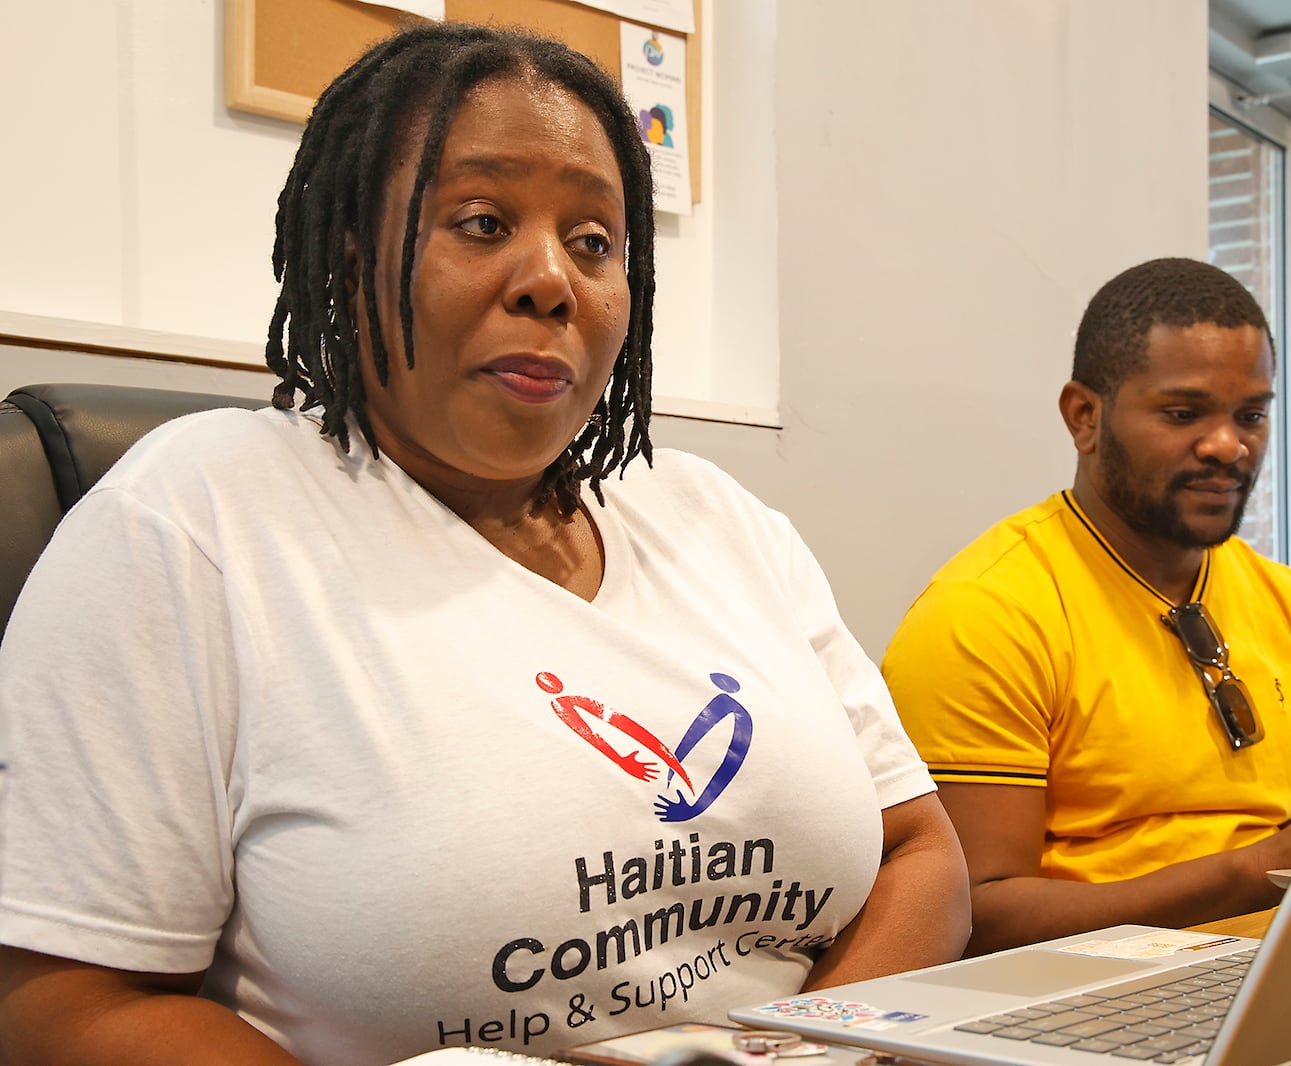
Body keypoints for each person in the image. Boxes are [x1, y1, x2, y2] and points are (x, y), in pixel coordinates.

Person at [0, 24, 968, 1066]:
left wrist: (802, 1057)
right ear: (350, 257)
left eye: (594, 241)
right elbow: (61, 1001)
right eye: (481, 221)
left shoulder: (718, 516)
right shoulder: (196, 520)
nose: (550, 279)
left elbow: (921, 853)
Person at [881, 257, 1291, 956]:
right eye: (1184, 413)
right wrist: (1255, 872)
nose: (1230, 445)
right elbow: (972, 917)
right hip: (1072, 997)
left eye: (1251, 415)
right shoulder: (985, 615)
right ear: (1084, 416)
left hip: (1280, 965)